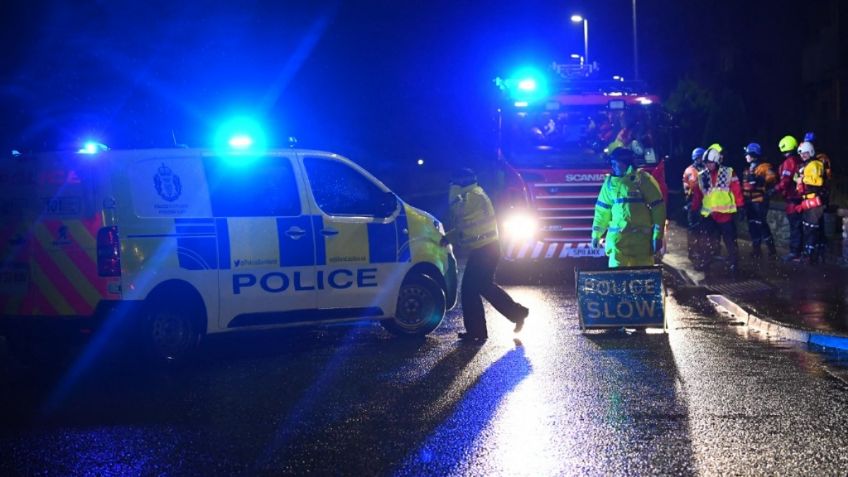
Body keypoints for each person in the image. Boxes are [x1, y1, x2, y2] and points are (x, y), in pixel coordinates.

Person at [442, 168, 529, 344]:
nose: (451, 185)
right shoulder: (472, 195)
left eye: (454, 181)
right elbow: (465, 225)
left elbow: (457, 212)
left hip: (485, 250)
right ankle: (516, 314)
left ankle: (478, 332)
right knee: (484, 287)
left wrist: (453, 192)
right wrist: (447, 238)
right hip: (486, 249)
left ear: (461, 182)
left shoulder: (472, 196)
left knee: (469, 289)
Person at [591, 147, 666, 268]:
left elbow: (659, 208)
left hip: (641, 244)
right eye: (612, 163)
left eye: (616, 163)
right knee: (618, 281)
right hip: (618, 244)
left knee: (642, 280)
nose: (613, 166)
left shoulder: (643, 180)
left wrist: (658, 236)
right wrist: (596, 235)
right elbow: (602, 211)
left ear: (625, 163)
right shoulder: (609, 183)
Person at [691, 144, 744, 274]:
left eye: (710, 163)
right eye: (706, 163)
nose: (708, 165)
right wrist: (694, 208)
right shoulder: (702, 175)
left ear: (716, 161)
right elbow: (698, 194)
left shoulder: (728, 172)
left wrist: (741, 206)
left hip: (724, 214)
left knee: (730, 240)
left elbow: (736, 190)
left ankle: (734, 263)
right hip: (709, 214)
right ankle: (706, 261)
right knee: (707, 240)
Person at [741, 142, 778, 258]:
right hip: (749, 202)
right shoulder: (748, 169)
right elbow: (745, 187)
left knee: (761, 225)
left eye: (747, 154)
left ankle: (772, 251)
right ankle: (756, 250)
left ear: (753, 154)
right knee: (752, 226)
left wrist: (761, 179)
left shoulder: (764, 167)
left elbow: (772, 179)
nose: (746, 156)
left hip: (760, 201)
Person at [795, 141, 826, 263]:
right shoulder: (806, 165)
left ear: (811, 152)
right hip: (807, 200)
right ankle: (808, 253)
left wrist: (803, 178)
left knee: (812, 229)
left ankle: (812, 255)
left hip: (814, 201)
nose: (803, 156)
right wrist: (798, 178)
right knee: (807, 228)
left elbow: (818, 182)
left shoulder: (815, 164)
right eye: (802, 154)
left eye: (805, 153)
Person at [803, 131, 832, 261]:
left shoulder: (820, 160)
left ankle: (815, 253)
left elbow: (822, 179)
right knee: (815, 226)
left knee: (814, 227)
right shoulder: (814, 159)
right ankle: (818, 252)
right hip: (814, 195)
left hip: (819, 195)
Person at [774, 135, 803, 261]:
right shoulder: (799, 160)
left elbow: (785, 181)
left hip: (792, 198)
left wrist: (773, 190)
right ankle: (798, 251)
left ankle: (794, 253)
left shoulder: (789, 162)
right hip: (799, 197)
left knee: (794, 226)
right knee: (798, 226)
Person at [683, 147, 706, 263]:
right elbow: (687, 187)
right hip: (693, 202)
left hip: (705, 202)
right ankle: (693, 251)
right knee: (693, 228)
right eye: (702, 157)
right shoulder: (689, 170)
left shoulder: (707, 169)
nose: (703, 159)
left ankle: (703, 250)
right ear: (697, 158)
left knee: (704, 227)